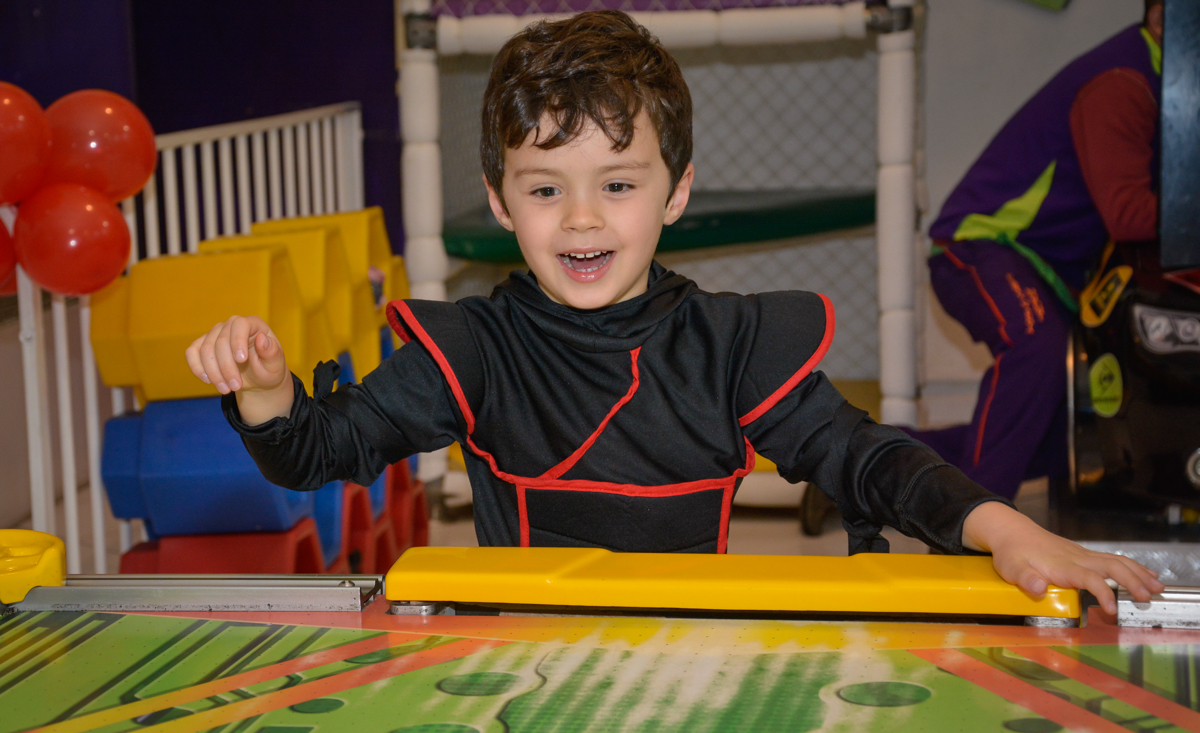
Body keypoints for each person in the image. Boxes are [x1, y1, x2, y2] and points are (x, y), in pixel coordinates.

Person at [185, 11, 1160, 614]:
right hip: (517, 668)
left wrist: (1001, 528)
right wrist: (269, 393)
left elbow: (864, 458)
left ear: (676, 192)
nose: (579, 219)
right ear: (497, 199)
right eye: (543, 189)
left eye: (617, 183)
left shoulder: (730, 346)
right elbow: (314, 454)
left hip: (693, 653)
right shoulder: (475, 350)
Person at [908, 1, 1164, 502]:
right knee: (1036, 349)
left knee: (1066, 433)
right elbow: (1129, 214)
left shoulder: (1162, 82)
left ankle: (868, 457)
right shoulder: (1125, 80)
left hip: (1053, 272)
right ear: (1161, 18)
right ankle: (973, 533)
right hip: (986, 243)